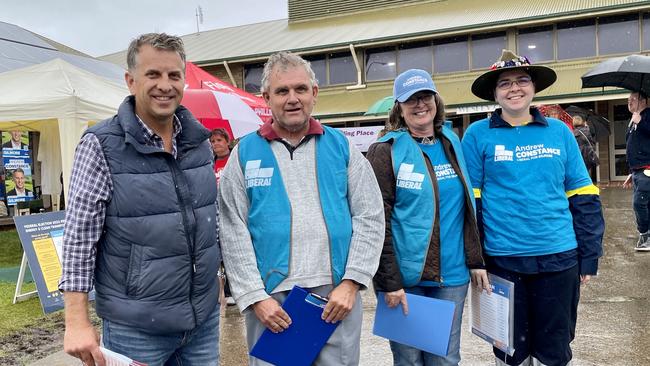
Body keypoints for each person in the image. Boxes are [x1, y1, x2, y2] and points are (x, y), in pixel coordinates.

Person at [58, 33, 221, 366]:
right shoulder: (101, 145)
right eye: (153, 74)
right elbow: (79, 238)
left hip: (202, 321)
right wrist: (76, 321)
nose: (165, 85)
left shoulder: (199, 143)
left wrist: (215, 279)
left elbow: (209, 219)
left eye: (174, 75)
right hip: (136, 328)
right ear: (131, 81)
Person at [218, 51, 384, 365]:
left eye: (300, 89)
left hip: (335, 296)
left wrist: (352, 282)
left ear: (314, 93)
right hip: (272, 301)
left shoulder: (341, 147)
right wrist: (255, 297)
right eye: (282, 91)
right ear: (267, 97)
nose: (292, 98)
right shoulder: (244, 153)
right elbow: (232, 228)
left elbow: (370, 215)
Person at [461, 50, 604, 366]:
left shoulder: (559, 132)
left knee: (554, 350)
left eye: (522, 80)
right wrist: (476, 259)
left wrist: (589, 255)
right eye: (505, 83)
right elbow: (471, 205)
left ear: (534, 87)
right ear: (494, 93)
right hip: (503, 261)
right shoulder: (476, 135)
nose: (514, 88)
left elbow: (583, 195)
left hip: (559, 258)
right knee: (508, 349)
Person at [366, 69, 488, 366]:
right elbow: (376, 220)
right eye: (410, 100)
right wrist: (388, 282)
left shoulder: (451, 140)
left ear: (436, 99)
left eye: (425, 97)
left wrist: (475, 259)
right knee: (409, 360)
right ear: (399, 107)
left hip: (452, 276)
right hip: (407, 279)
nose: (420, 105)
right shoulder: (385, 151)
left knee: (445, 359)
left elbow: (466, 209)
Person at [623, 91, 650, 251]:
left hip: (647, 169)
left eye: (633, 99)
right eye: (628, 100)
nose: (629, 102)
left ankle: (645, 235)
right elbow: (634, 146)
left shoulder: (646, 117)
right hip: (638, 171)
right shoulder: (634, 119)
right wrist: (631, 172)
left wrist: (641, 122)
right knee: (645, 203)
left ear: (643, 100)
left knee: (639, 203)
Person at [572, 114, 599, 182]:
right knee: (587, 173)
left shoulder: (573, 133)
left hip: (579, 156)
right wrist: (587, 127)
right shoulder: (587, 130)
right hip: (588, 155)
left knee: (581, 174)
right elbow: (592, 140)